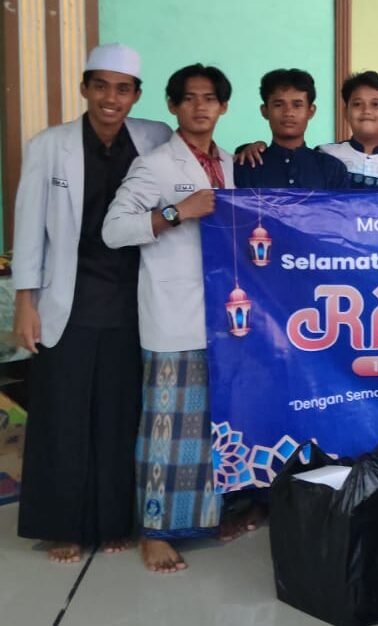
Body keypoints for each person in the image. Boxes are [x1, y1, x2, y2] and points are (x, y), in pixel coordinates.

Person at [12, 43, 171, 564]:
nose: (110, 98)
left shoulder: (153, 137)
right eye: (100, 86)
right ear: (84, 89)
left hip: (130, 302)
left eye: (122, 89)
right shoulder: (49, 145)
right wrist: (25, 302)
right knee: (62, 413)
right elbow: (29, 228)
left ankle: (112, 521)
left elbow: (198, 155)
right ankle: (63, 525)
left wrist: (253, 147)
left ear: (136, 95)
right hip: (68, 299)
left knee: (118, 414)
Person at [103, 63, 234, 573]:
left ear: (223, 107)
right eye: (190, 98)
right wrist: (177, 212)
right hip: (174, 315)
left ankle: (200, 519)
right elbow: (114, 229)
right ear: (173, 106)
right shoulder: (155, 164)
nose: (200, 107)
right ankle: (155, 530)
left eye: (210, 98)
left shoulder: (230, 162)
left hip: (223, 318)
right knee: (167, 425)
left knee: (208, 425)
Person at [234, 68, 349, 189]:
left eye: (297, 105)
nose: (288, 113)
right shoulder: (245, 166)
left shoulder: (332, 169)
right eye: (278, 105)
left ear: (311, 111)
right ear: (265, 111)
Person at [319, 71, 378, 190]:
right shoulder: (326, 154)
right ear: (345, 112)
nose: (366, 111)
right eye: (357, 104)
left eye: (376, 104)